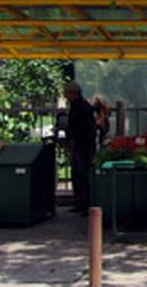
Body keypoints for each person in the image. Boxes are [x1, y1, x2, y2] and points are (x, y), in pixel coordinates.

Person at [65, 81, 97, 215]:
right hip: (79, 144)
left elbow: (86, 128)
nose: (65, 95)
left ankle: (85, 204)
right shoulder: (78, 106)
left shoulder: (82, 107)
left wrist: (75, 139)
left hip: (83, 145)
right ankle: (80, 203)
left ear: (74, 93)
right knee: (78, 174)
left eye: (67, 93)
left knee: (82, 175)